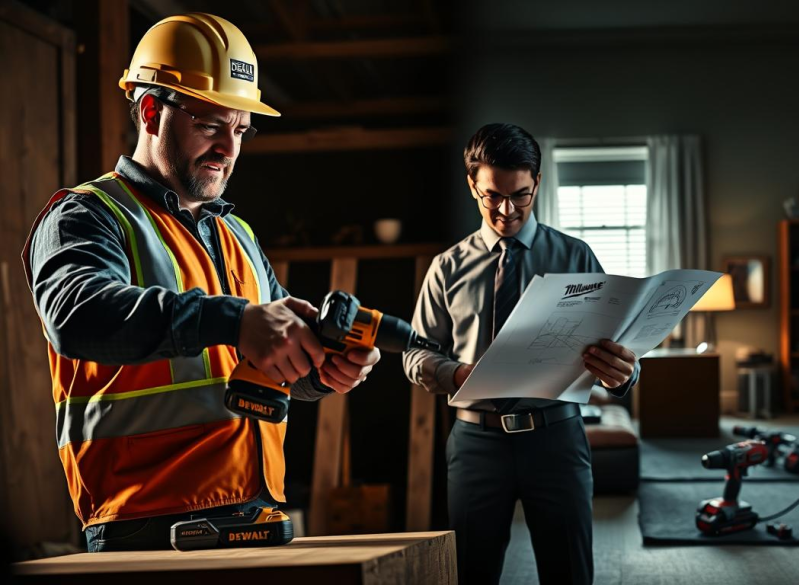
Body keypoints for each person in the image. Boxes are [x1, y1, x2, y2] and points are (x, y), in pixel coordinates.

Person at [21, 13, 380, 552]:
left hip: (255, 512)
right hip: (146, 529)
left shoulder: (235, 231)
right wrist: (235, 320)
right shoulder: (87, 216)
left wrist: (320, 370)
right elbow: (77, 316)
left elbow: (270, 360)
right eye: (211, 125)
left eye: (240, 130)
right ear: (149, 111)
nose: (229, 149)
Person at [403, 123, 639, 584]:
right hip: (476, 444)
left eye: (521, 195)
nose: (507, 210)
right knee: (472, 571)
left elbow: (618, 347)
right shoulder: (446, 267)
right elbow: (415, 355)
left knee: (569, 572)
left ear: (537, 182)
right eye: (492, 196)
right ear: (472, 185)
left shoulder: (576, 257)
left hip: (557, 439)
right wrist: (458, 374)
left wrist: (623, 373)